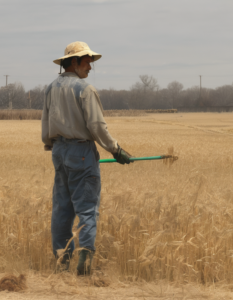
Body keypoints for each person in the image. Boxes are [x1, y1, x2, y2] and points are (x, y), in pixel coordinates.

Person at [41, 41, 133, 275]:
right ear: (74, 62)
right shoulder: (85, 90)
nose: (90, 67)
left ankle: (61, 264)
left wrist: (51, 144)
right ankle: (84, 267)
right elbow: (96, 126)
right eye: (87, 62)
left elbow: (45, 122)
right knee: (87, 209)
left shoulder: (51, 88)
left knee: (62, 208)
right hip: (81, 152)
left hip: (59, 152)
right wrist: (116, 150)